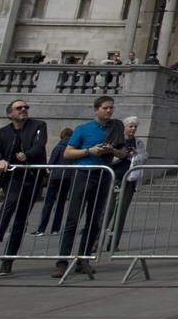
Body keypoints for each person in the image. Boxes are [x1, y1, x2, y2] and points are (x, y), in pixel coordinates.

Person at [53, 96, 129, 279]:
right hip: (83, 174)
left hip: (103, 174)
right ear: (96, 110)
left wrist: (111, 150)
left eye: (111, 108)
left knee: (94, 220)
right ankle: (62, 261)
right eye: (105, 108)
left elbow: (123, 153)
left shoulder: (116, 127)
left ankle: (84, 258)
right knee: (73, 219)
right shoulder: (83, 129)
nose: (109, 111)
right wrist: (90, 151)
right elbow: (68, 153)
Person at [0, 98, 49, 276]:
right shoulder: (2, 133)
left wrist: (27, 155)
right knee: (9, 204)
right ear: (10, 114)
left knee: (20, 219)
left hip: (32, 177)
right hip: (13, 178)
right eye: (19, 108)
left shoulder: (38, 125)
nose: (23, 109)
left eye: (26, 107)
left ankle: (8, 260)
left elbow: (39, 146)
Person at [105, 117, 147, 251]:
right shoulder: (117, 140)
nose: (133, 129)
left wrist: (135, 155)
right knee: (108, 210)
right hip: (114, 177)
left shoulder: (138, 142)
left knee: (121, 212)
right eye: (130, 126)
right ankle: (96, 240)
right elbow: (109, 158)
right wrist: (122, 155)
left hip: (129, 179)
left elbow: (144, 156)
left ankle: (114, 242)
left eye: (135, 127)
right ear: (124, 127)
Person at [33, 127, 75, 235]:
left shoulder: (58, 147)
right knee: (60, 204)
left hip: (55, 177)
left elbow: (52, 163)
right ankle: (55, 229)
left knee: (48, 203)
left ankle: (41, 229)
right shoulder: (73, 148)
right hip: (68, 177)